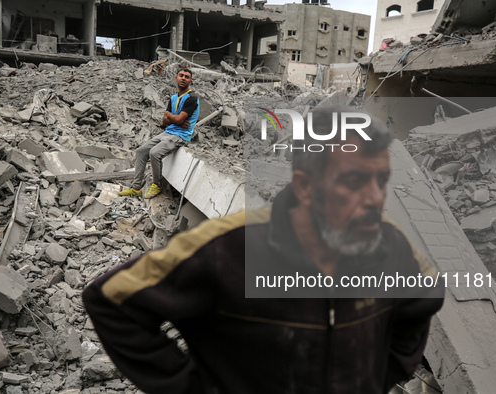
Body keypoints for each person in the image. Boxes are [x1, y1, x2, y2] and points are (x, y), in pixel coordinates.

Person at [83, 105, 444, 393]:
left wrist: (379, 376)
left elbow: (426, 295)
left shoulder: (390, 244)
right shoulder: (227, 248)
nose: (373, 199)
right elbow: (111, 299)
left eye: (380, 181)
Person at [119, 68, 199, 199]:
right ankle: (136, 188)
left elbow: (175, 119)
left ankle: (157, 184)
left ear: (191, 81)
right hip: (168, 132)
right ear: (176, 78)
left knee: (154, 153)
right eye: (181, 75)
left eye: (187, 76)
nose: (183, 78)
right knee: (140, 151)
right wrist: (175, 118)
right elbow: (164, 121)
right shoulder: (173, 98)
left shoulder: (192, 98)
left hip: (180, 136)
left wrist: (171, 116)